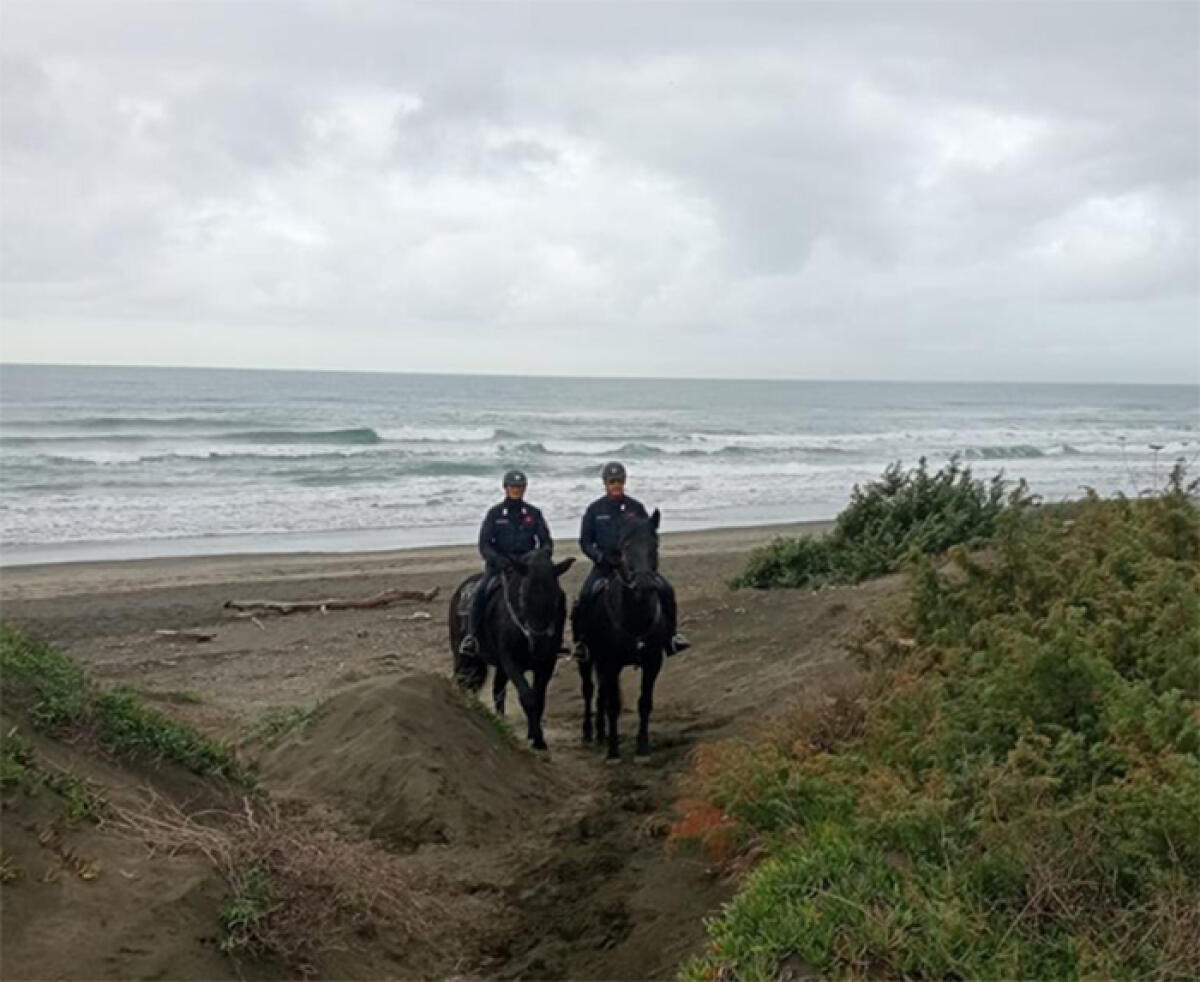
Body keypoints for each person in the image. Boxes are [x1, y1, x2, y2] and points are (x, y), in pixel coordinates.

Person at [571, 460, 690, 661]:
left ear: (624, 482)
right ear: (605, 483)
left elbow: (647, 535)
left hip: (635, 567)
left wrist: (642, 560)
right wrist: (600, 557)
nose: (616, 485)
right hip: (606, 566)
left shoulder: (636, 508)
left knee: (665, 589)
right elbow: (585, 542)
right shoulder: (595, 510)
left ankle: (671, 637)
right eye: (612, 481)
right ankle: (582, 643)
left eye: (619, 481)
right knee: (586, 595)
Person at [458, 469, 553, 656]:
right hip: (500, 568)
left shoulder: (534, 513)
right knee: (480, 593)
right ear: (505, 488)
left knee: (551, 595)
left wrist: (538, 558)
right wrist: (498, 560)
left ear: (525, 488)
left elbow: (546, 543)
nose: (516, 490)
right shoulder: (495, 514)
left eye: (520, 486)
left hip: (526, 568)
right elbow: (485, 544)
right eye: (513, 486)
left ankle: (553, 639)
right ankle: (472, 637)